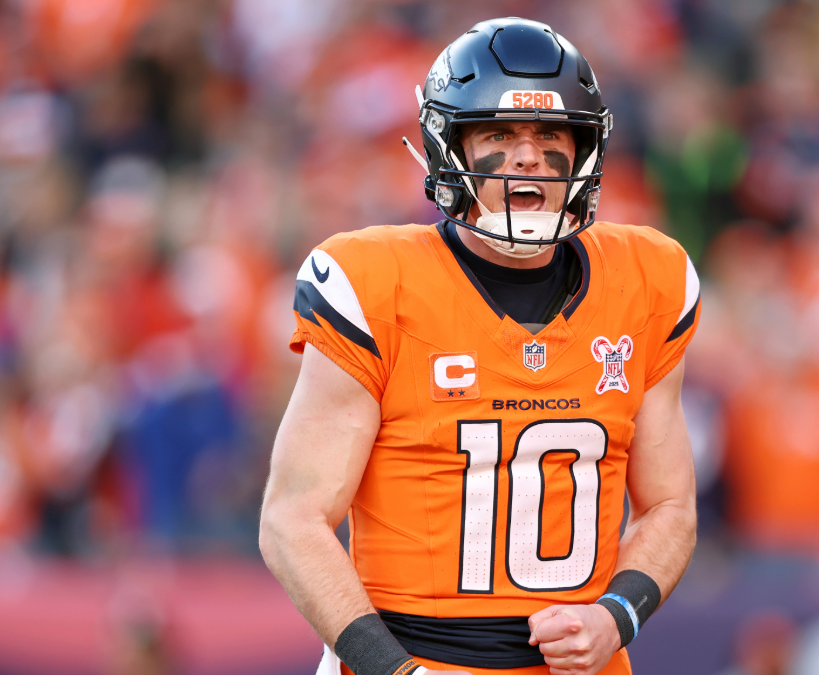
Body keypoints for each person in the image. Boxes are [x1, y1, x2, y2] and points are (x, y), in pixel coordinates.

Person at [260, 18, 701, 675]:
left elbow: (671, 505)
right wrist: (392, 668)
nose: (527, 156)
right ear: (448, 145)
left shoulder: (647, 279)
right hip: (411, 658)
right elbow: (292, 519)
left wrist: (616, 614)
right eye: (499, 133)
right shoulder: (374, 281)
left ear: (584, 150)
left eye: (550, 134)